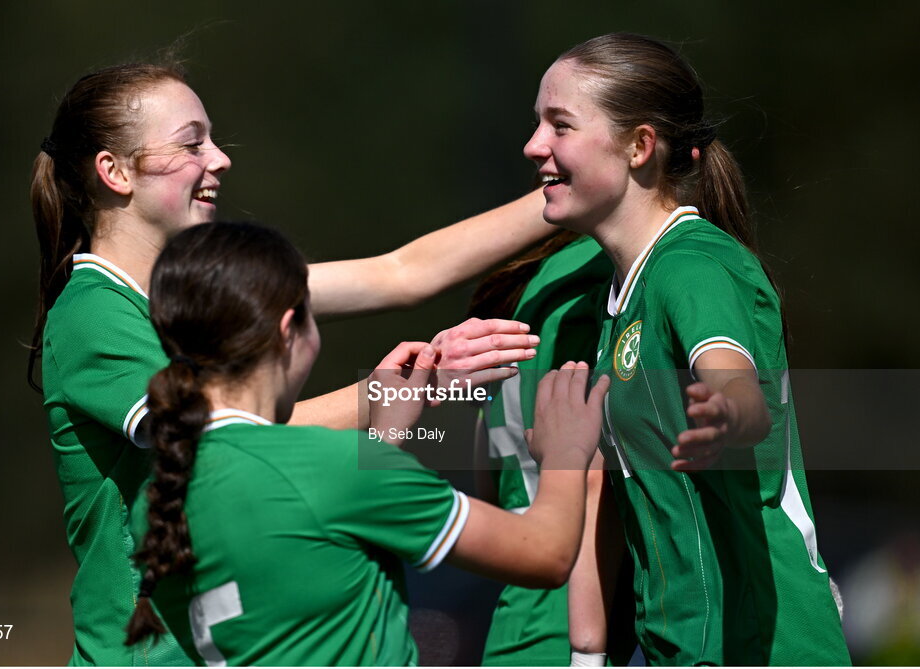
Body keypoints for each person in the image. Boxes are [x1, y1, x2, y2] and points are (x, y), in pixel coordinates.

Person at [30, 62, 554, 665]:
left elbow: (404, 272)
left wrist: (569, 189)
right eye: (191, 143)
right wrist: (398, 395)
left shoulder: (204, 286)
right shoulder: (93, 310)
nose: (220, 159)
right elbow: (221, 432)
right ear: (114, 171)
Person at [124, 220, 610, 666]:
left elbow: (319, 563)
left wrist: (385, 439)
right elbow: (544, 555)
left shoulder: (162, 496)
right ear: (289, 329)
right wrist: (566, 452)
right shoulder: (326, 468)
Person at [522, 33, 850, 665]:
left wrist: (729, 413)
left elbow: (737, 387)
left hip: (766, 648)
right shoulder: (620, 294)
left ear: (640, 146)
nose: (534, 145)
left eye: (559, 125)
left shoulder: (690, 267)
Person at [469, 233, 636, 667]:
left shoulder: (521, 289)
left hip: (516, 621)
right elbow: (601, 471)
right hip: (582, 614)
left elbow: (486, 481)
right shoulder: (621, 265)